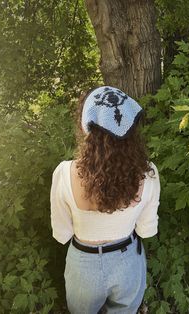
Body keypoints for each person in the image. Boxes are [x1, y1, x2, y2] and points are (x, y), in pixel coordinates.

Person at [50, 86, 161, 314]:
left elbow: (62, 233)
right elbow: (147, 230)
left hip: (83, 265)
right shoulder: (148, 173)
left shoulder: (64, 173)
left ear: (85, 126)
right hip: (126, 262)